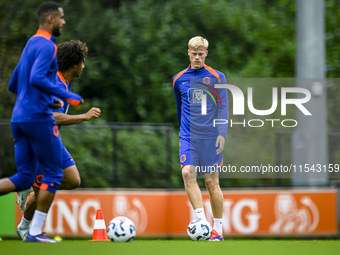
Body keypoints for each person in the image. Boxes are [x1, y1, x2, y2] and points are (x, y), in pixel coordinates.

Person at [0, 2, 83, 243]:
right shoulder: (48, 46)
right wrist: (69, 98)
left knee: (23, 179)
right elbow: (36, 78)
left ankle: (28, 228)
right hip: (37, 120)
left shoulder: (30, 44)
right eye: (61, 18)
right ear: (50, 19)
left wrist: (42, 99)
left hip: (19, 118)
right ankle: (33, 232)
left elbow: (13, 84)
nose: (63, 22)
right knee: (54, 176)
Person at [16, 40, 101, 240]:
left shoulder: (63, 82)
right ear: (74, 63)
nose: (84, 66)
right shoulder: (55, 83)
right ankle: (28, 227)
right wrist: (84, 116)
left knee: (72, 180)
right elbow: (51, 116)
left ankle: (24, 224)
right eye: (82, 61)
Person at [173, 36, 228, 241]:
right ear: (188, 52)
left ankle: (218, 230)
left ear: (206, 53)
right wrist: (182, 136)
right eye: (194, 53)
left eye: (201, 54)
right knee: (188, 173)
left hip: (211, 138)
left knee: (211, 183)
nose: (197, 57)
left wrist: (222, 133)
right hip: (188, 136)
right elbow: (180, 109)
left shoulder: (217, 76)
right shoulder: (178, 79)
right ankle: (201, 222)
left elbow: (223, 107)